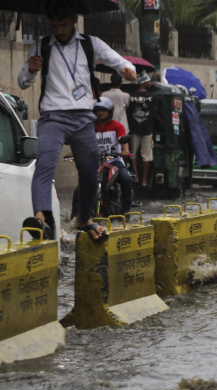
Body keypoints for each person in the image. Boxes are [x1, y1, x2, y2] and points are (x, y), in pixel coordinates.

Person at [17, 2, 135, 241]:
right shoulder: (40, 46)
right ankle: (40, 217)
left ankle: (84, 218)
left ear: (73, 20)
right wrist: (30, 70)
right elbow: (22, 82)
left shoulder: (90, 44)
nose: (59, 31)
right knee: (44, 166)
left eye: (62, 25)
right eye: (54, 26)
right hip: (53, 117)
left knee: (91, 173)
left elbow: (117, 60)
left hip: (83, 118)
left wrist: (127, 68)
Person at [93, 98, 133, 214]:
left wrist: (125, 150)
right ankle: (77, 215)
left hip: (115, 161)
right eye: (98, 110)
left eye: (104, 110)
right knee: (80, 186)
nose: (101, 113)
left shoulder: (117, 126)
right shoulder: (91, 127)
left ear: (109, 112)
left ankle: (126, 210)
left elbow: (123, 140)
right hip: (96, 162)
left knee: (125, 179)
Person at [128, 72, 156, 187]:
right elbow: (154, 113)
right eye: (149, 81)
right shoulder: (152, 96)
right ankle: (144, 180)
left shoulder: (131, 95)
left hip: (134, 129)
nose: (150, 83)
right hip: (147, 130)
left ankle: (136, 176)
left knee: (133, 154)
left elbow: (129, 113)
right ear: (144, 83)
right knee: (146, 156)